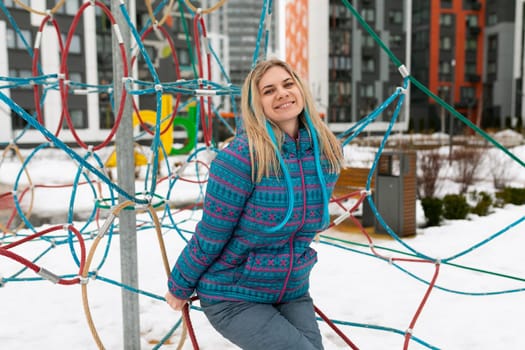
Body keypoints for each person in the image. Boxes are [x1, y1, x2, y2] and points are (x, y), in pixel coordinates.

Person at [165, 58, 344, 350]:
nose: (282, 94)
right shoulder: (240, 159)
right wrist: (179, 285)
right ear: (256, 103)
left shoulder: (326, 155)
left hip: (291, 289)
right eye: (269, 90)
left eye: (288, 84)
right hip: (234, 292)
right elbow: (211, 234)